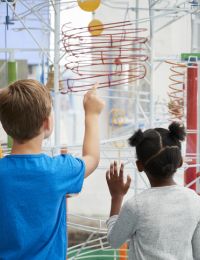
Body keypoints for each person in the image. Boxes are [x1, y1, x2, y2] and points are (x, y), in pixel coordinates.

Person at [0, 79, 104, 260]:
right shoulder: (59, 170)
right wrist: (92, 114)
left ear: (5, 126)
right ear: (47, 123)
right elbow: (92, 158)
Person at [106, 122, 200, 260]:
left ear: (139, 166)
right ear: (180, 161)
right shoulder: (195, 201)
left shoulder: (136, 206)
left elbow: (114, 241)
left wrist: (116, 197)